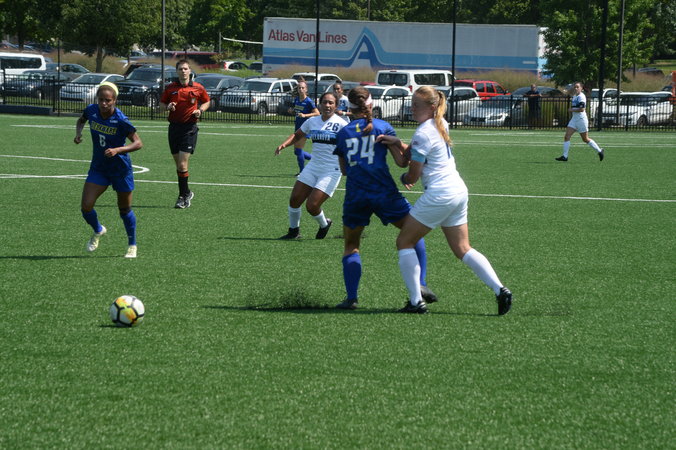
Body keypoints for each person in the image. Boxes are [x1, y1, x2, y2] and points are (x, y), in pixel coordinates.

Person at [378, 86, 512, 314]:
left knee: (404, 242)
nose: (411, 108)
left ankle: (415, 302)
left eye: (416, 105)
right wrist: (396, 143)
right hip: (458, 191)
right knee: (463, 248)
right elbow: (414, 153)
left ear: (431, 107)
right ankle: (500, 290)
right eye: (411, 104)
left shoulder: (423, 133)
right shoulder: (440, 123)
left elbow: (412, 174)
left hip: (439, 194)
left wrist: (404, 177)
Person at [332, 86, 437, 310]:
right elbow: (402, 162)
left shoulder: (343, 133)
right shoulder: (382, 127)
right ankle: (420, 283)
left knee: (351, 245)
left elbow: (344, 171)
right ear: (370, 104)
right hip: (384, 192)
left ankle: (351, 298)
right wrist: (397, 144)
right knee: (413, 234)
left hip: (356, 195)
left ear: (349, 107)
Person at [73, 82, 143, 258]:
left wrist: (118, 150)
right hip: (99, 168)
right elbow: (81, 120)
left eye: (108, 100)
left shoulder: (121, 119)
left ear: (115, 101)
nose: (104, 103)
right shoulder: (91, 111)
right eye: (101, 100)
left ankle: (132, 245)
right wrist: (78, 133)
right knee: (86, 206)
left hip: (120, 169)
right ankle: (98, 230)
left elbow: (138, 143)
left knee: (124, 209)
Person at [275, 92, 348, 240]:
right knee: (294, 200)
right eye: (324, 102)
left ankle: (324, 224)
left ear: (336, 106)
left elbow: (351, 145)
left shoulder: (342, 124)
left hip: (331, 170)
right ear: (320, 104)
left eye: (331, 103)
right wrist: (284, 144)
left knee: (312, 205)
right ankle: (294, 231)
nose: (327, 105)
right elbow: (297, 135)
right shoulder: (312, 121)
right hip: (313, 166)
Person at [159, 59, 210, 208]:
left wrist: (200, 110)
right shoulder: (170, 88)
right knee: (179, 166)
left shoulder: (198, 87)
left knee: (182, 164)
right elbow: (161, 105)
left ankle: (182, 197)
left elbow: (207, 101)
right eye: (180, 69)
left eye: (185, 69)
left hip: (189, 128)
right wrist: (167, 106)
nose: (183, 71)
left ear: (190, 71)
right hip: (174, 128)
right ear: (177, 71)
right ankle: (187, 191)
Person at [556, 82, 604, 162]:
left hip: (581, 120)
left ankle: (600, 151)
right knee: (567, 137)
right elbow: (568, 93)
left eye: (577, 87)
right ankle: (565, 156)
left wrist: (571, 110)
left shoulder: (582, 96)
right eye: (575, 87)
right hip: (574, 119)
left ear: (581, 88)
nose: (576, 88)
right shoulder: (575, 96)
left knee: (585, 139)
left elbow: (582, 109)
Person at [287, 79, 319, 174]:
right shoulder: (297, 99)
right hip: (298, 127)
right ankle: (315, 160)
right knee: (297, 152)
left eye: (302, 88)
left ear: (306, 89)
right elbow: (297, 111)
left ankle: (302, 172)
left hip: (306, 128)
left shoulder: (309, 101)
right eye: (299, 88)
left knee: (298, 150)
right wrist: (292, 111)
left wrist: (305, 115)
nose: (301, 89)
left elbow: (317, 113)